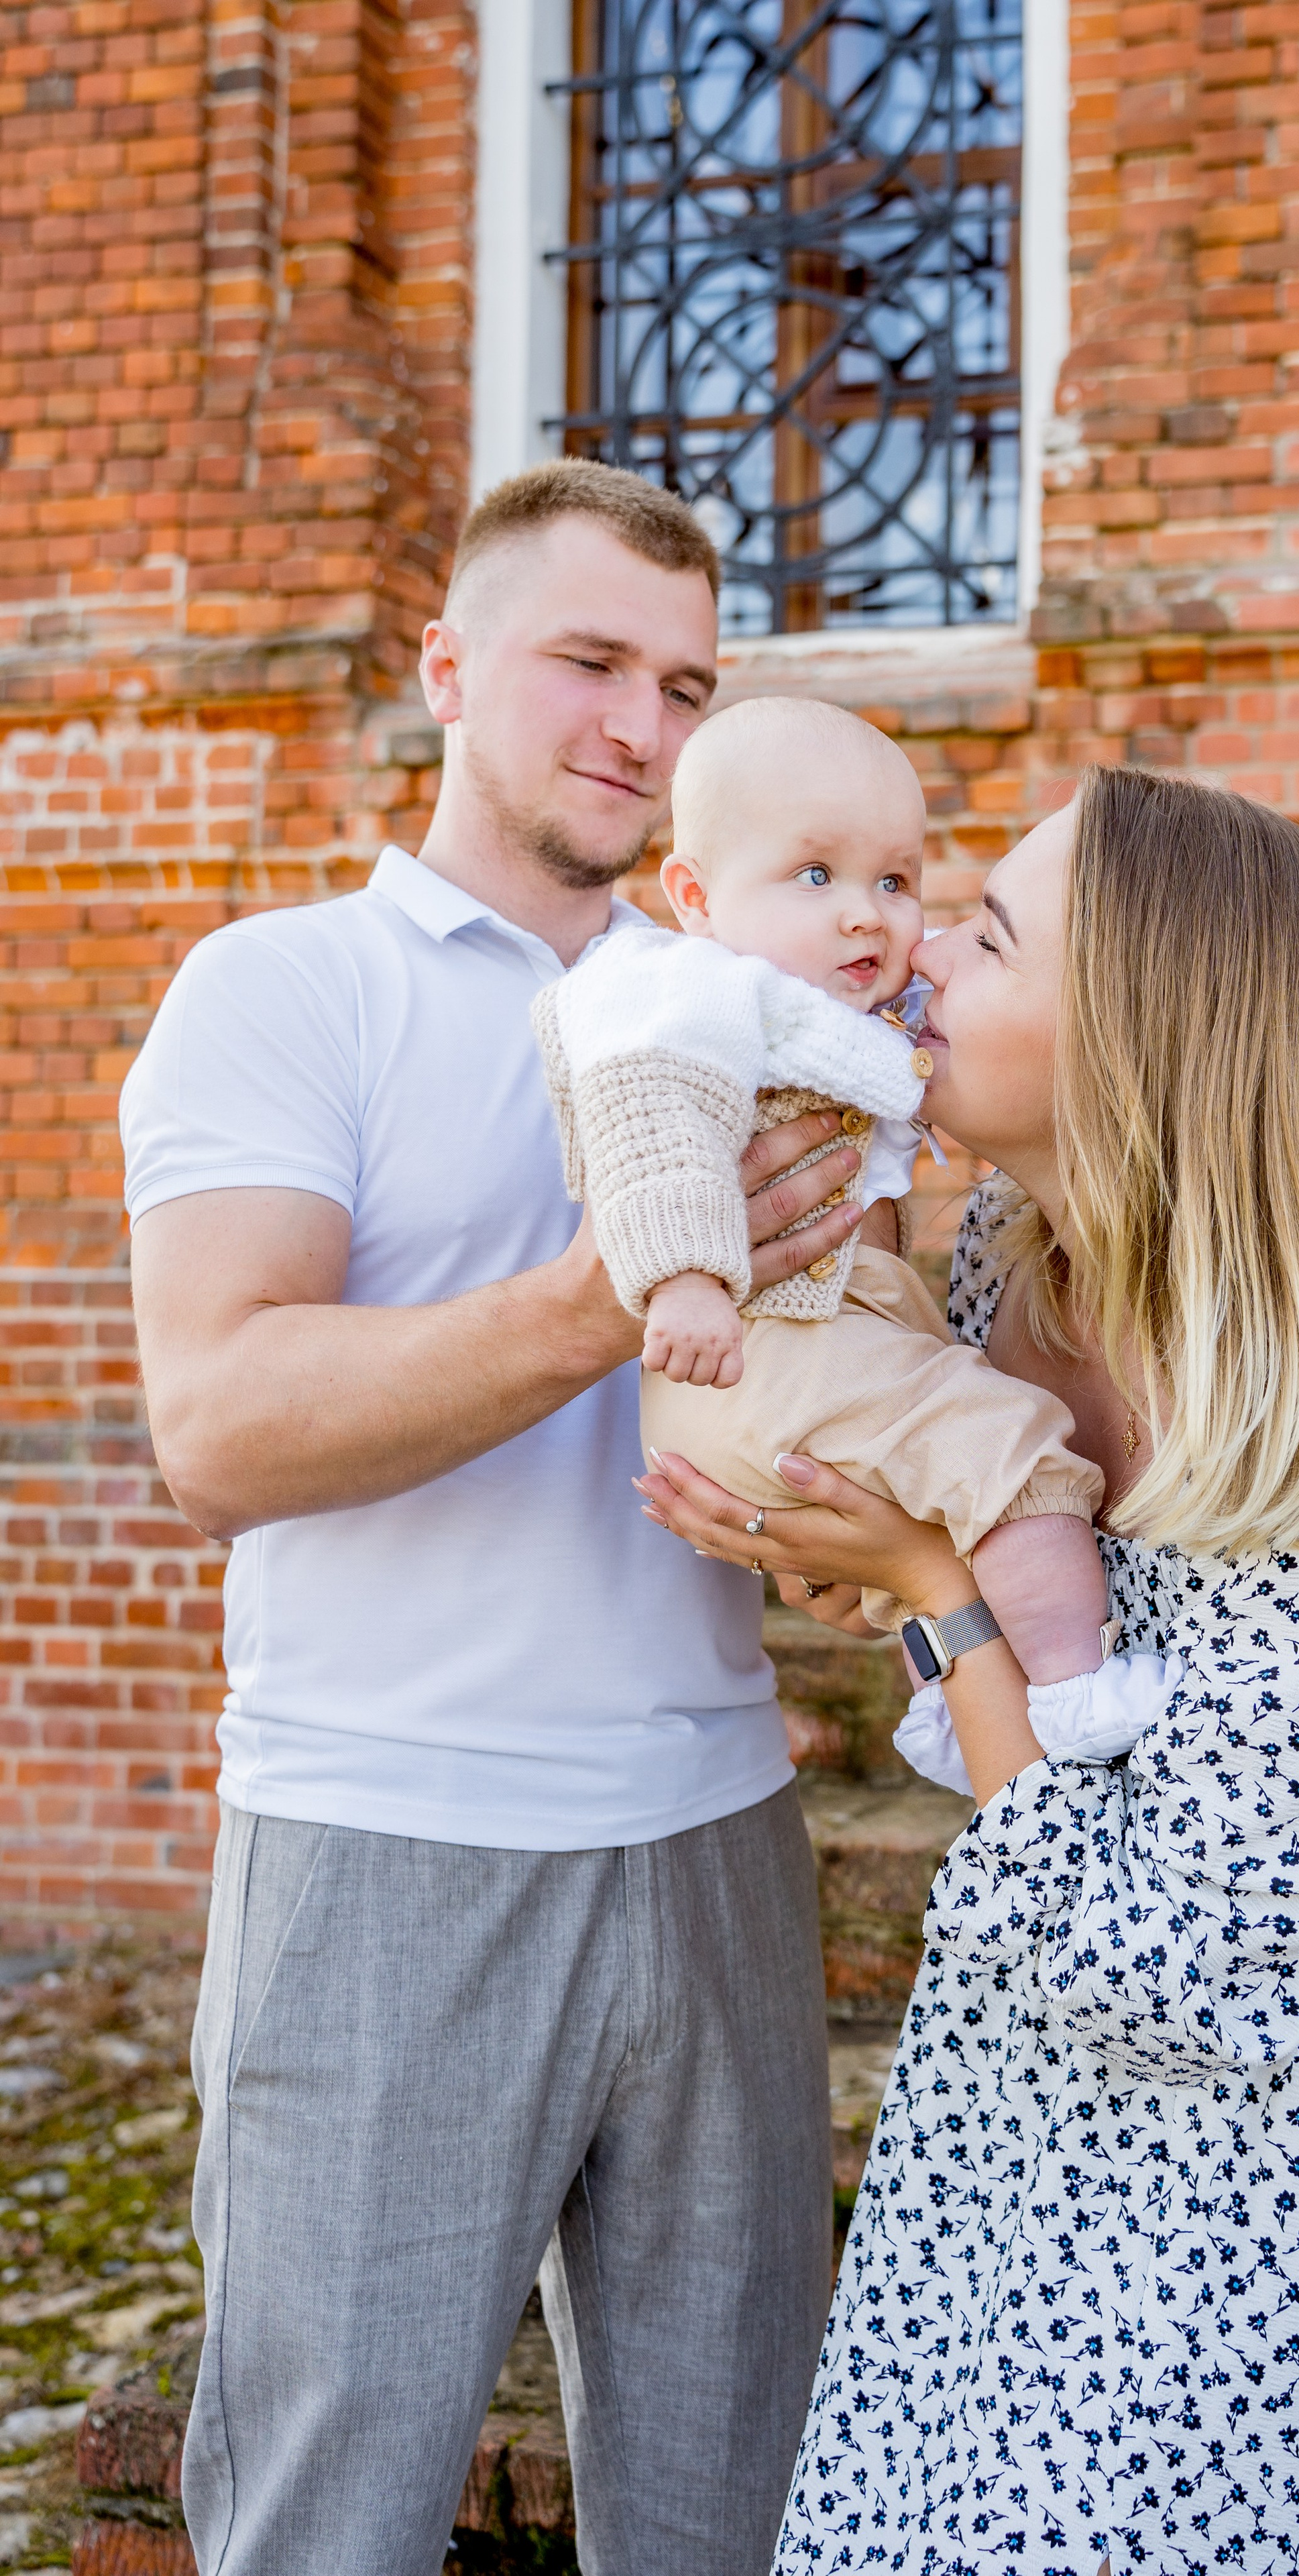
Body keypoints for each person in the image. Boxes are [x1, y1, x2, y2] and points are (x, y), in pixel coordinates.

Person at [640, 767, 1299, 2576]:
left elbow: (1164, 1968)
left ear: (1138, 1051)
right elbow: (1009, 1700)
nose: (916, 949)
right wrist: (857, 1556)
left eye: (987, 933)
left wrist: (931, 1584)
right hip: (1040, 2077)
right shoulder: (1001, 1271)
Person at [120, 461, 861, 2576]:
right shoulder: (285, 987)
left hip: (716, 1838)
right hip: (390, 1843)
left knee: (732, 2515)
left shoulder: (745, 1004)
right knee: (332, 2522)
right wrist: (606, 1292)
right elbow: (221, 1427)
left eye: (687, 688)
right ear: (448, 669)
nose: (643, 726)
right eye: (591, 663)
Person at [537, 690, 1122, 1683]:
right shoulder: (686, 992)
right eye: (815, 875)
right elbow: (648, 1123)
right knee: (1014, 1453)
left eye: (895, 879)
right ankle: (1082, 1694)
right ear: (695, 896)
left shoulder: (850, 1008)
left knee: (956, 1506)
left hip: (825, 1349)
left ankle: (971, 1703)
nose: (867, 912)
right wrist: (686, 1278)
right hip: (754, 1353)